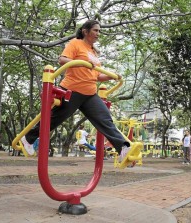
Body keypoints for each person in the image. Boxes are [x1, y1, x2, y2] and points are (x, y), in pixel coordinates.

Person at [21, 20, 131, 162]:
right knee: (55, 118)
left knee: (105, 118)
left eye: (99, 31)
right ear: (86, 31)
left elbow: (97, 76)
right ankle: (28, 138)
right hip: (72, 90)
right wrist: (81, 63)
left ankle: (122, 147)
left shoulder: (93, 52)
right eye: (95, 30)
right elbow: (62, 60)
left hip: (90, 94)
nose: (98, 33)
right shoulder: (75, 43)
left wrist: (111, 76)